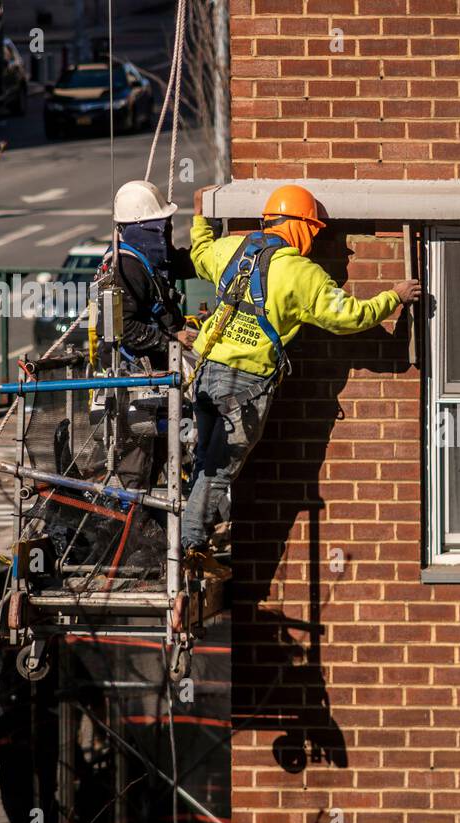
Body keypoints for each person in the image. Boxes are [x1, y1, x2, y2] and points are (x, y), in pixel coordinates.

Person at [181, 183, 421, 561]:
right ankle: (191, 547)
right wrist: (394, 296)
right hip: (244, 388)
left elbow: (199, 254)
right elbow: (347, 317)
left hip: (208, 373)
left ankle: (186, 543)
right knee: (219, 470)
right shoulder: (300, 273)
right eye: (313, 229)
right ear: (301, 227)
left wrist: (200, 214)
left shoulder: (231, 249)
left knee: (204, 463)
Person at [106, 180, 198, 369]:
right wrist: (171, 340)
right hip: (140, 368)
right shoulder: (125, 268)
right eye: (161, 226)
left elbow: (184, 264)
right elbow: (122, 328)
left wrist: (208, 226)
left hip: (161, 357)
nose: (165, 234)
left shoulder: (147, 255)